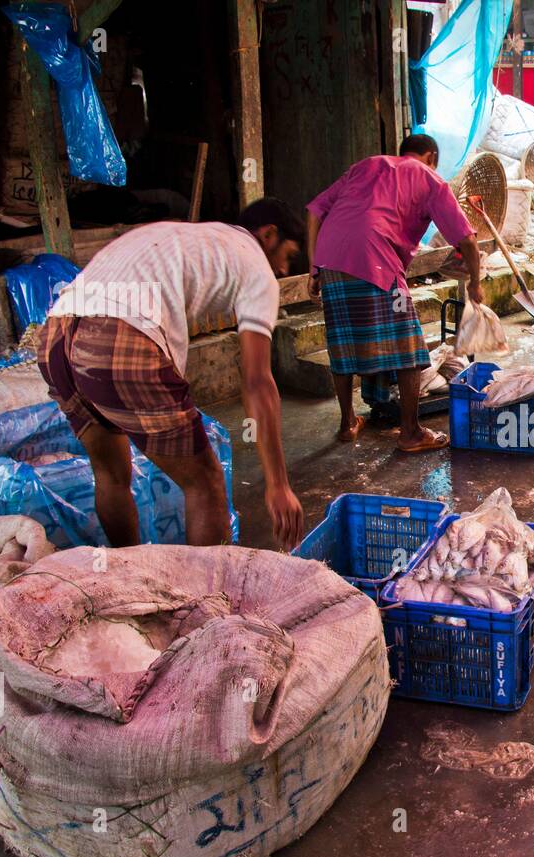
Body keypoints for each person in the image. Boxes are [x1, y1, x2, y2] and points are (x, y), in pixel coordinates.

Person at [37, 199, 306, 551]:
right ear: (269, 235)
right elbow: (257, 381)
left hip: (55, 336)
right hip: (118, 338)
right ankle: (209, 601)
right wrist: (278, 484)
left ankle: (130, 577)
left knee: (111, 474)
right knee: (205, 482)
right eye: (287, 255)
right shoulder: (256, 267)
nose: (284, 270)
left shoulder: (183, 235)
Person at [306, 133, 484, 452]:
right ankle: (411, 433)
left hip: (330, 258)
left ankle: (347, 423)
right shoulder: (428, 177)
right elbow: (467, 241)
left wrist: (313, 266)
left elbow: (315, 210)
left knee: (343, 342)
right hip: (376, 260)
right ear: (430, 157)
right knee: (408, 346)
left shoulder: (366, 166)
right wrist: (476, 283)